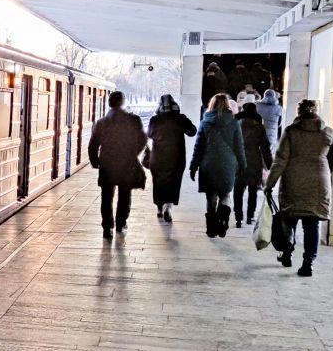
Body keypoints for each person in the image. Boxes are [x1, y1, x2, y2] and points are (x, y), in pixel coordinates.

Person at [265, 99, 333, 277]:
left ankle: (287, 254)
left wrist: (270, 183)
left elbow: (280, 160)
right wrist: (323, 170)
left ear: (299, 112)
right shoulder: (327, 132)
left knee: (289, 220)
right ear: (316, 111)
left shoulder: (291, 132)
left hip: (293, 181)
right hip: (319, 182)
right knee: (312, 223)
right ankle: (308, 263)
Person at [88, 90, 147, 240]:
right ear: (123, 102)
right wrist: (134, 153)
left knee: (106, 196)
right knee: (124, 195)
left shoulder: (102, 122)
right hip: (126, 163)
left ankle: (107, 227)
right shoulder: (133, 120)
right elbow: (143, 139)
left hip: (107, 164)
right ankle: (121, 223)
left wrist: (95, 161)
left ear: (109, 103)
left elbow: (93, 144)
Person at [189, 94, 246, 238]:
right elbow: (239, 147)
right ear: (227, 105)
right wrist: (243, 165)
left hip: (208, 164)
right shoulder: (234, 123)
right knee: (225, 194)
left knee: (211, 197)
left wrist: (193, 166)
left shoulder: (205, 123)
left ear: (211, 104)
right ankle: (223, 219)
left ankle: (211, 228)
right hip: (227, 164)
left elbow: (198, 147)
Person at [146, 94, 196, 222]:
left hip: (158, 158)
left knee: (158, 183)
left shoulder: (155, 119)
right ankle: (168, 207)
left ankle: (159, 208)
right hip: (176, 158)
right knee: (174, 182)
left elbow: (149, 134)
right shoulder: (180, 118)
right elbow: (192, 131)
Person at [233, 102, 273, 227]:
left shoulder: (236, 125)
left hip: (238, 161)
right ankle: (250, 216)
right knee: (252, 190)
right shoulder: (259, 127)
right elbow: (265, 148)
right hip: (254, 161)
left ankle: (238, 218)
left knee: (238, 190)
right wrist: (270, 165)